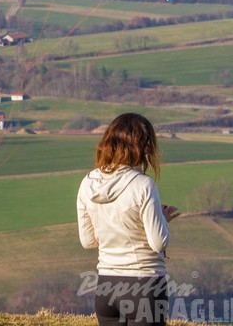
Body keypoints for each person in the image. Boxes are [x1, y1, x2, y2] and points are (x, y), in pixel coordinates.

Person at [76, 113, 181, 326]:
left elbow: (88, 242)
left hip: (106, 287)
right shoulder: (144, 185)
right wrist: (161, 218)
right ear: (143, 146)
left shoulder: (87, 183)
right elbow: (159, 242)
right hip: (144, 285)